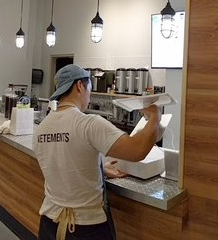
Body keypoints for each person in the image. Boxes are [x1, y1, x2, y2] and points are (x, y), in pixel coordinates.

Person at [34, 65, 160, 240]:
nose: (89, 95)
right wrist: (154, 118)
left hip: (49, 223)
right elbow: (138, 150)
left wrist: (100, 168)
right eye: (90, 89)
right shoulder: (89, 124)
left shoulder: (42, 128)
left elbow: (62, 164)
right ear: (80, 86)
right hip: (85, 228)